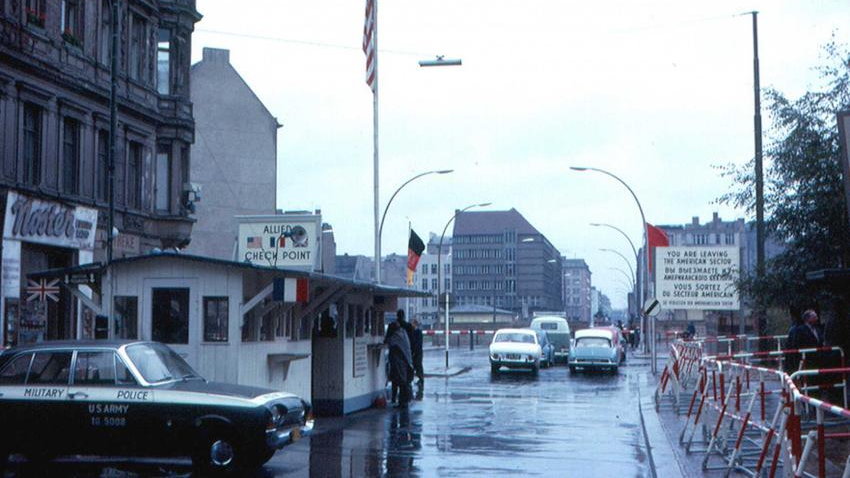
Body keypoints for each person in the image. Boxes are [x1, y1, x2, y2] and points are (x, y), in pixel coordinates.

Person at [384, 310, 414, 407]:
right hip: (406, 357)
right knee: (403, 379)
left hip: (398, 357)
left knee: (398, 379)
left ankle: (399, 401)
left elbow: (387, 340)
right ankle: (404, 400)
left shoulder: (394, 330)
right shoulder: (406, 329)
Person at [411, 319, 424, 386]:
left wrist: (414, 351)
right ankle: (419, 379)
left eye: (413, 324)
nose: (412, 325)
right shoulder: (414, 332)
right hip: (416, 352)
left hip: (418, 352)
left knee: (418, 366)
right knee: (415, 366)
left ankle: (421, 380)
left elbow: (418, 343)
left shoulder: (418, 332)